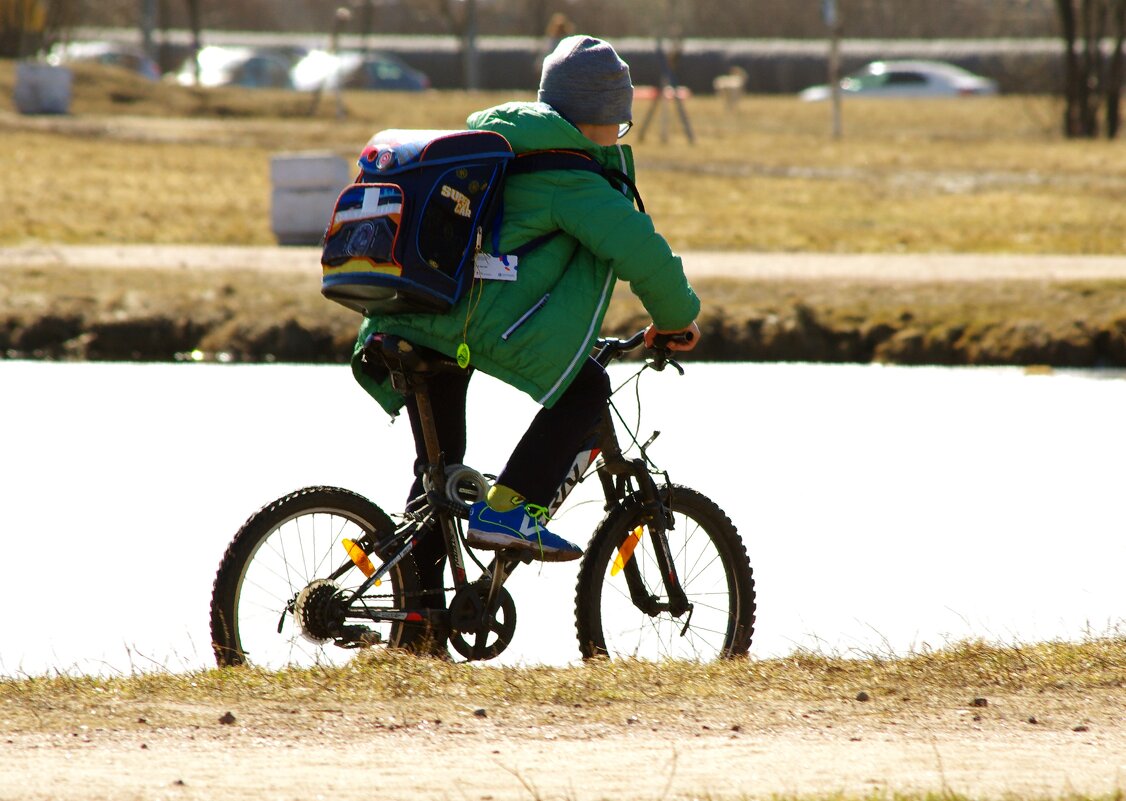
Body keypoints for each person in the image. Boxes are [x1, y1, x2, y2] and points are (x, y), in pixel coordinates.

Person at [351, 35, 700, 597]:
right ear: (601, 118)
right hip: (465, 328)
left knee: (441, 485)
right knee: (587, 386)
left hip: (406, 317)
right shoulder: (571, 177)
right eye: (621, 123)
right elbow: (641, 250)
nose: (619, 135)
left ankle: (417, 621)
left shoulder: (497, 148)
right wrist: (676, 317)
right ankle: (509, 514)